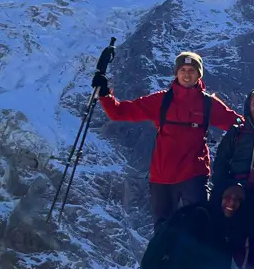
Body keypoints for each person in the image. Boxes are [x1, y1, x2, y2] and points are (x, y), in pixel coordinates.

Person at [93, 51, 239, 228]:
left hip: (194, 174)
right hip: (163, 177)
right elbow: (119, 112)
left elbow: (236, 123)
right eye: (183, 69)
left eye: (191, 70)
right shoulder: (161, 100)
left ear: (198, 75)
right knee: (163, 232)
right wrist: (105, 94)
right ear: (176, 73)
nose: (186, 74)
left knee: (200, 226)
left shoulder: (208, 104)